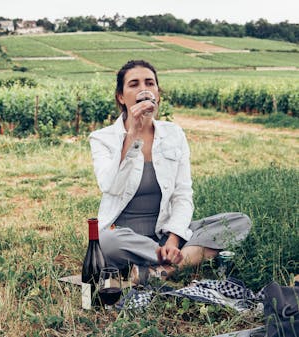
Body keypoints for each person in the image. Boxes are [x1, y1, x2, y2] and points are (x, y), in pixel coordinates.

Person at [89, 60, 251, 284]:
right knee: (104, 242)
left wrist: (173, 240)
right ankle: (177, 261)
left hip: (166, 231)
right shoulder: (102, 138)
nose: (143, 89)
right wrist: (132, 137)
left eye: (150, 83)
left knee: (239, 222)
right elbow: (110, 186)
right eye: (133, 84)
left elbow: (182, 194)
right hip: (124, 235)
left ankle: (160, 271)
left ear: (158, 93)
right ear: (121, 96)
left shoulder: (174, 134)